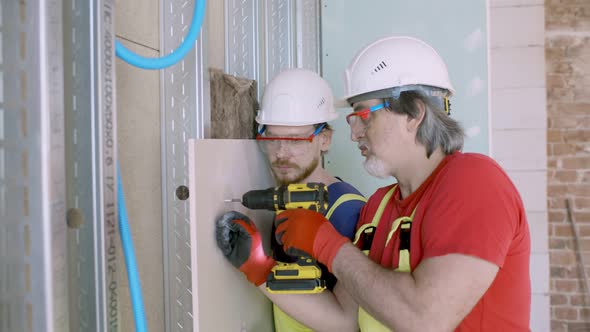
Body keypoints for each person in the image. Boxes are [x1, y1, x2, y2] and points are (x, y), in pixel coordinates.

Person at [271, 36, 532, 331]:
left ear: (414, 114)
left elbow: (425, 319)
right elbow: (344, 320)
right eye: (352, 119)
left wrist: (327, 244)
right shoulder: (377, 208)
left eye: (364, 115)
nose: (355, 133)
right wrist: (257, 268)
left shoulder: (475, 182)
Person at [215, 68, 367, 331]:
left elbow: (348, 323)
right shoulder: (286, 201)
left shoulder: (347, 212)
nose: (281, 153)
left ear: (324, 139)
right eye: (272, 139)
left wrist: (259, 268)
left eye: (295, 140)